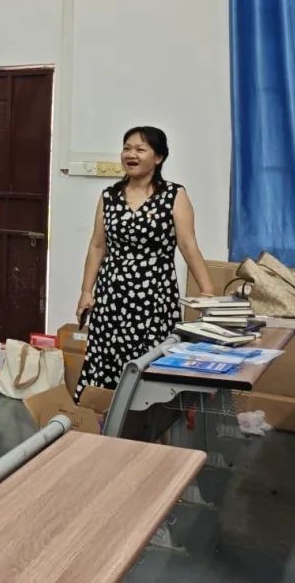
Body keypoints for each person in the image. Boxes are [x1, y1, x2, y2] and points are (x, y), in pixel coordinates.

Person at [74, 126, 215, 400]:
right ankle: (106, 416)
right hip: (112, 295)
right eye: (127, 148)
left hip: (154, 296)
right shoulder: (109, 196)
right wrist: (86, 291)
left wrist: (207, 292)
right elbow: (97, 245)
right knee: (107, 357)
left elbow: (188, 245)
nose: (131, 154)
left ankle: (149, 421)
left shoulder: (174, 195)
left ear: (158, 157)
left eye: (140, 149)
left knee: (149, 361)